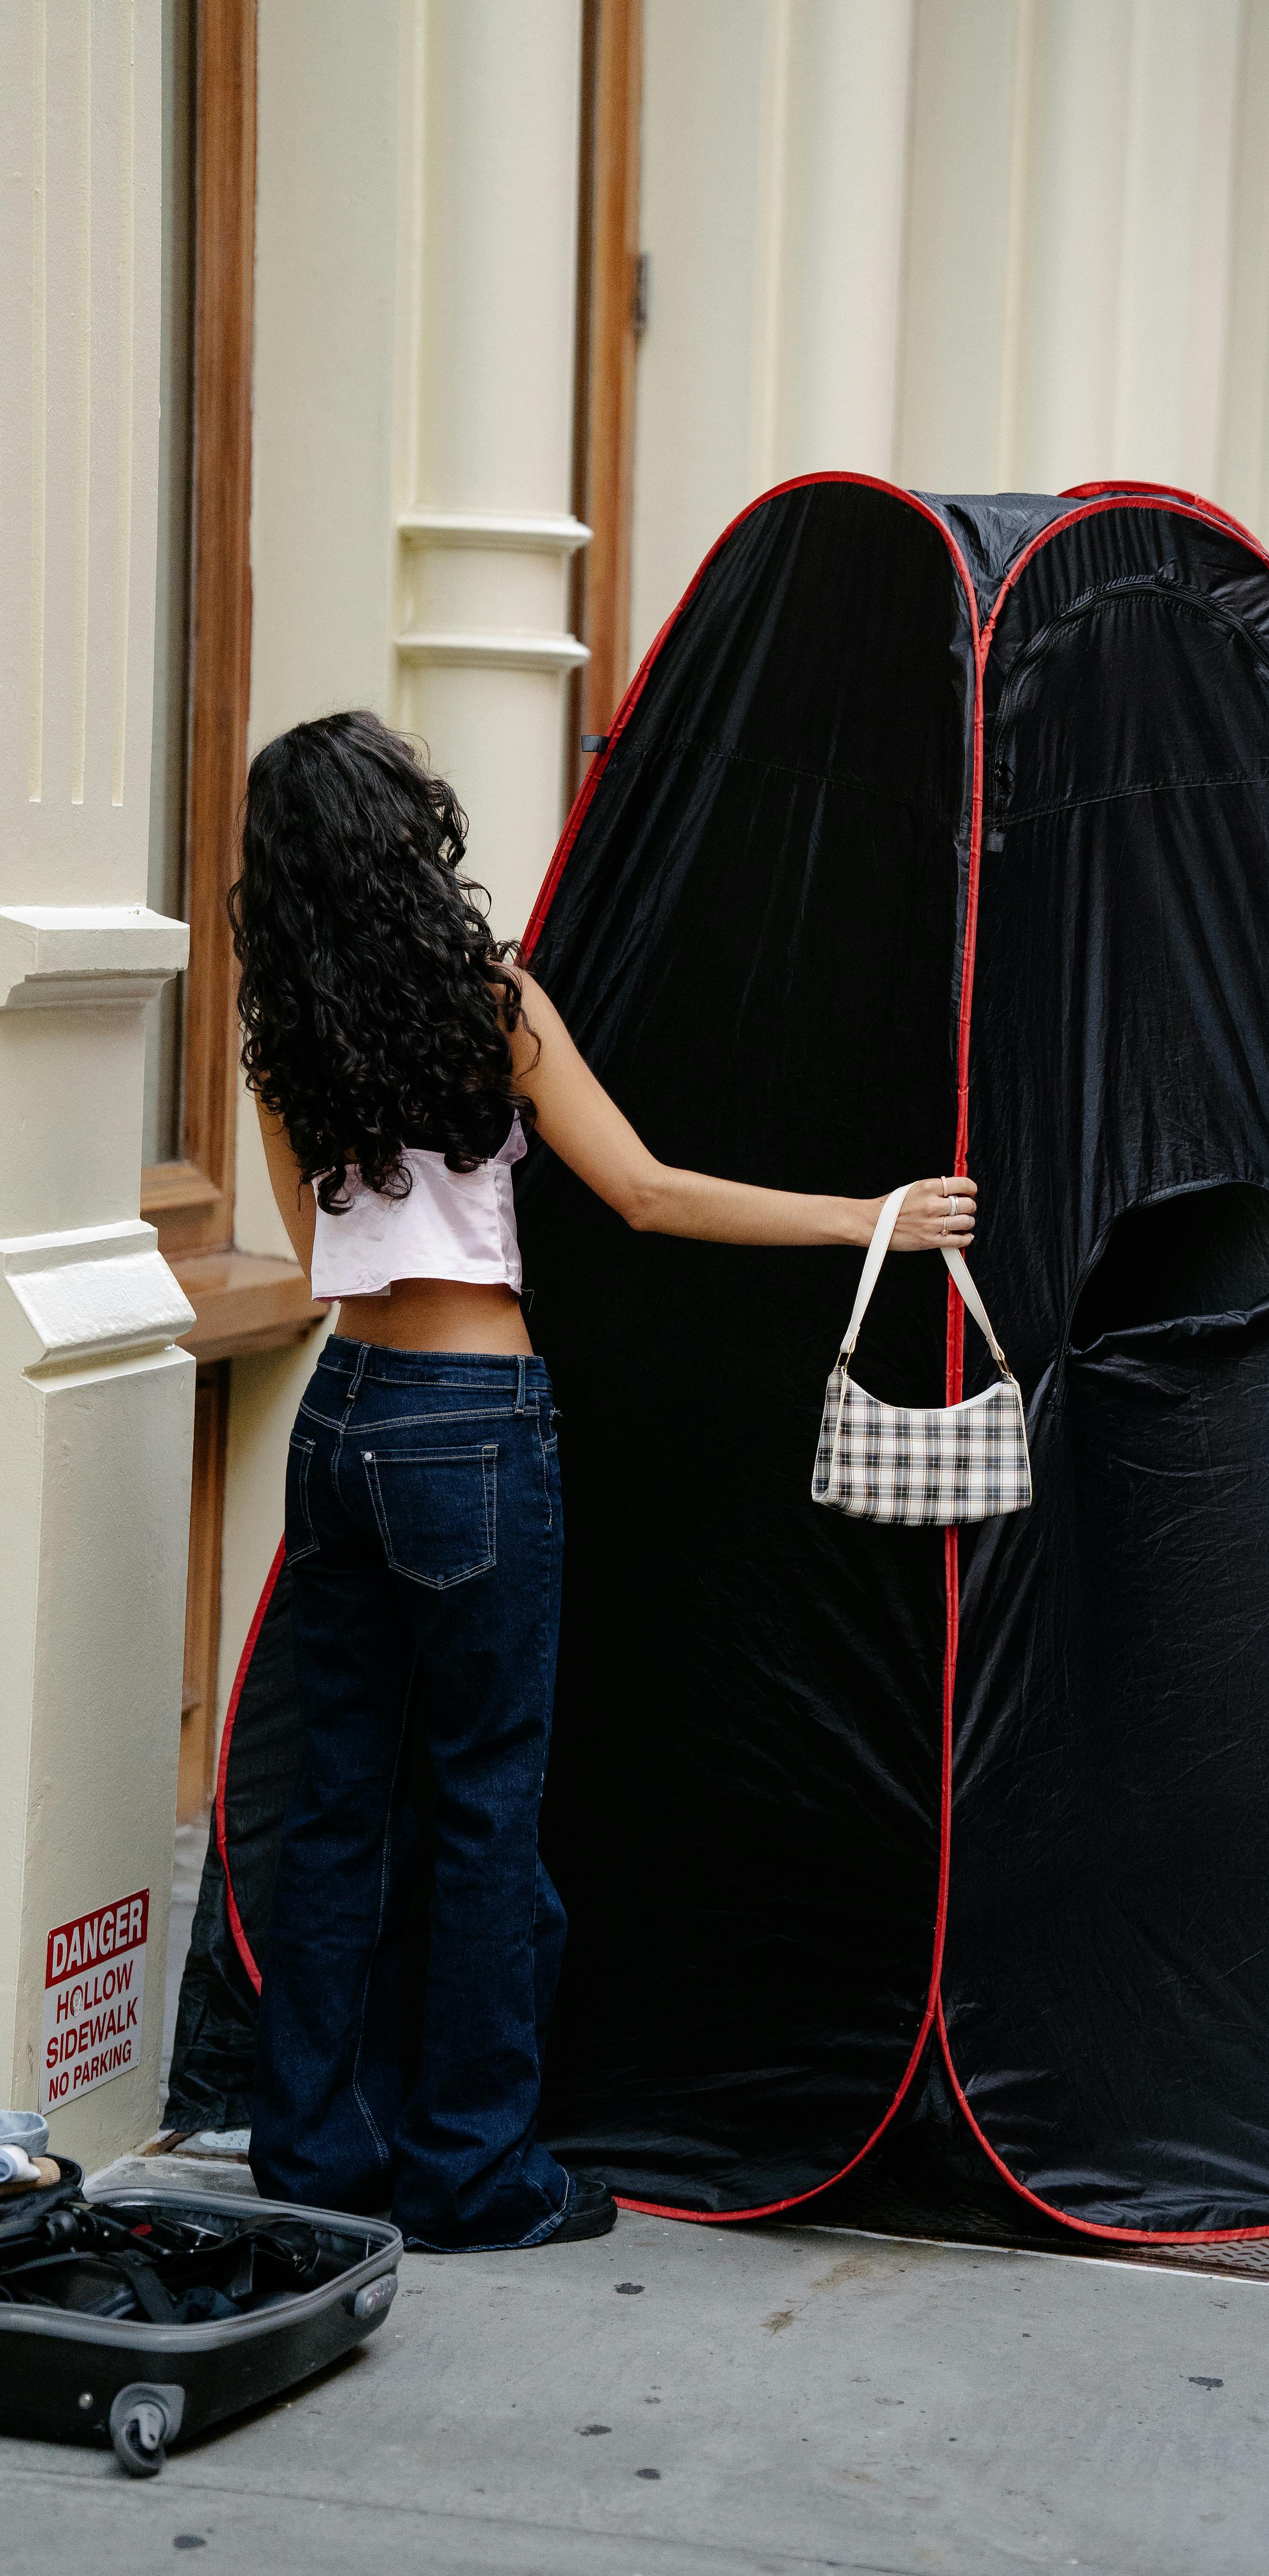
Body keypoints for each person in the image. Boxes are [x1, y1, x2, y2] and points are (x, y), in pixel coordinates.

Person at [232, 709, 977, 2253]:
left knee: (335, 1811)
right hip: (473, 1419)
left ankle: (309, 2147)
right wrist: (871, 1220)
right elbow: (643, 1193)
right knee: (489, 1805)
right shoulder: (492, 1004)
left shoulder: (279, 1022)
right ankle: (472, 2171)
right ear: (408, 836)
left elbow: (319, 1251)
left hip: (340, 1417)